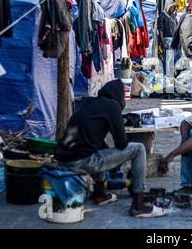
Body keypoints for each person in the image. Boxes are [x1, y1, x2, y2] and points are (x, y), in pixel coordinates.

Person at [54, 79, 165, 218]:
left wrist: (113, 162)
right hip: (79, 161)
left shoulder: (88, 103)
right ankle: (138, 205)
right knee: (139, 148)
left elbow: (95, 141)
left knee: (98, 150)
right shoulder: (112, 106)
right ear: (119, 96)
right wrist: (116, 161)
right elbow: (122, 144)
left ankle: (100, 194)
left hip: (63, 158)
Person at [158, 0, 178, 74]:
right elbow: (160, 30)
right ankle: (167, 75)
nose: (172, 9)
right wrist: (163, 42)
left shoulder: (173, 16)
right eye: (171, 7)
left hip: (173, 40)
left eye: (173, 7)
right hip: (167, 41)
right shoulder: (162, 16)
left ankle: (171, 74)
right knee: (168, 59)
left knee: (172, 59)